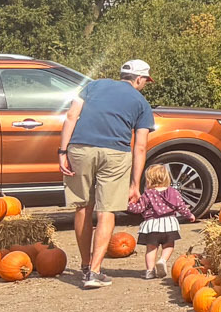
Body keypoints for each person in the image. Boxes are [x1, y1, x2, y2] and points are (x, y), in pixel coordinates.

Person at [59, 58, 157, 289]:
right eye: (145, 81)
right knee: (107, 210)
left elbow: (71, 116)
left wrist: (62, 151)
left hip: (80, 148)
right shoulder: (142, 103)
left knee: (83, 206)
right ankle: (94, 272)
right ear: (140, 79)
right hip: (115, 153)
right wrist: (135, 184)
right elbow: (140, 146)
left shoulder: (94, 86)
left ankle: (84, 265)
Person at [127, 164, 193, 277]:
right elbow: (181, 207)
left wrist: (128, 205)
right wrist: (189, 215)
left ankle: (150, 271)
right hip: (169, 224)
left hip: (152, 225)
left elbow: (139, 208)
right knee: (169, 245)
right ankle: (162, 260)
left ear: (149, 180)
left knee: (151, 248)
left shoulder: (148, 194)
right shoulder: (173, 192)